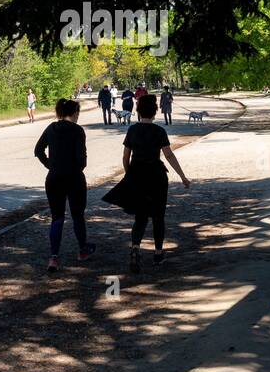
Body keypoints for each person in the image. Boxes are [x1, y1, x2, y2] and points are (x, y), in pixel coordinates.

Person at [102, 94, 191, 273]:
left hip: (137, 175)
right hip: (156, 176)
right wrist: (182, 176)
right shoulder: (159, 131)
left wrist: (129, 175)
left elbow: (125, 157)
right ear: (155, 111)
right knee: (158, 216)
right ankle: (158, 254)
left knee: (140, 217)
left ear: (137, 111)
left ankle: (135, 248)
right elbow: (169, 155)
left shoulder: (132, 130)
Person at [34, 99, 93, 273]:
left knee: (57, 217)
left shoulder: (51, 128)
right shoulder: (77, 130)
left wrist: (50, 165)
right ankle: (82, 251)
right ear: (75, 113)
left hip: (53, 179)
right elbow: (82, 160)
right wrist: (75, 168)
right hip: (74, 178)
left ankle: (54, 257)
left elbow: (38, 150)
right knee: (77, 216)